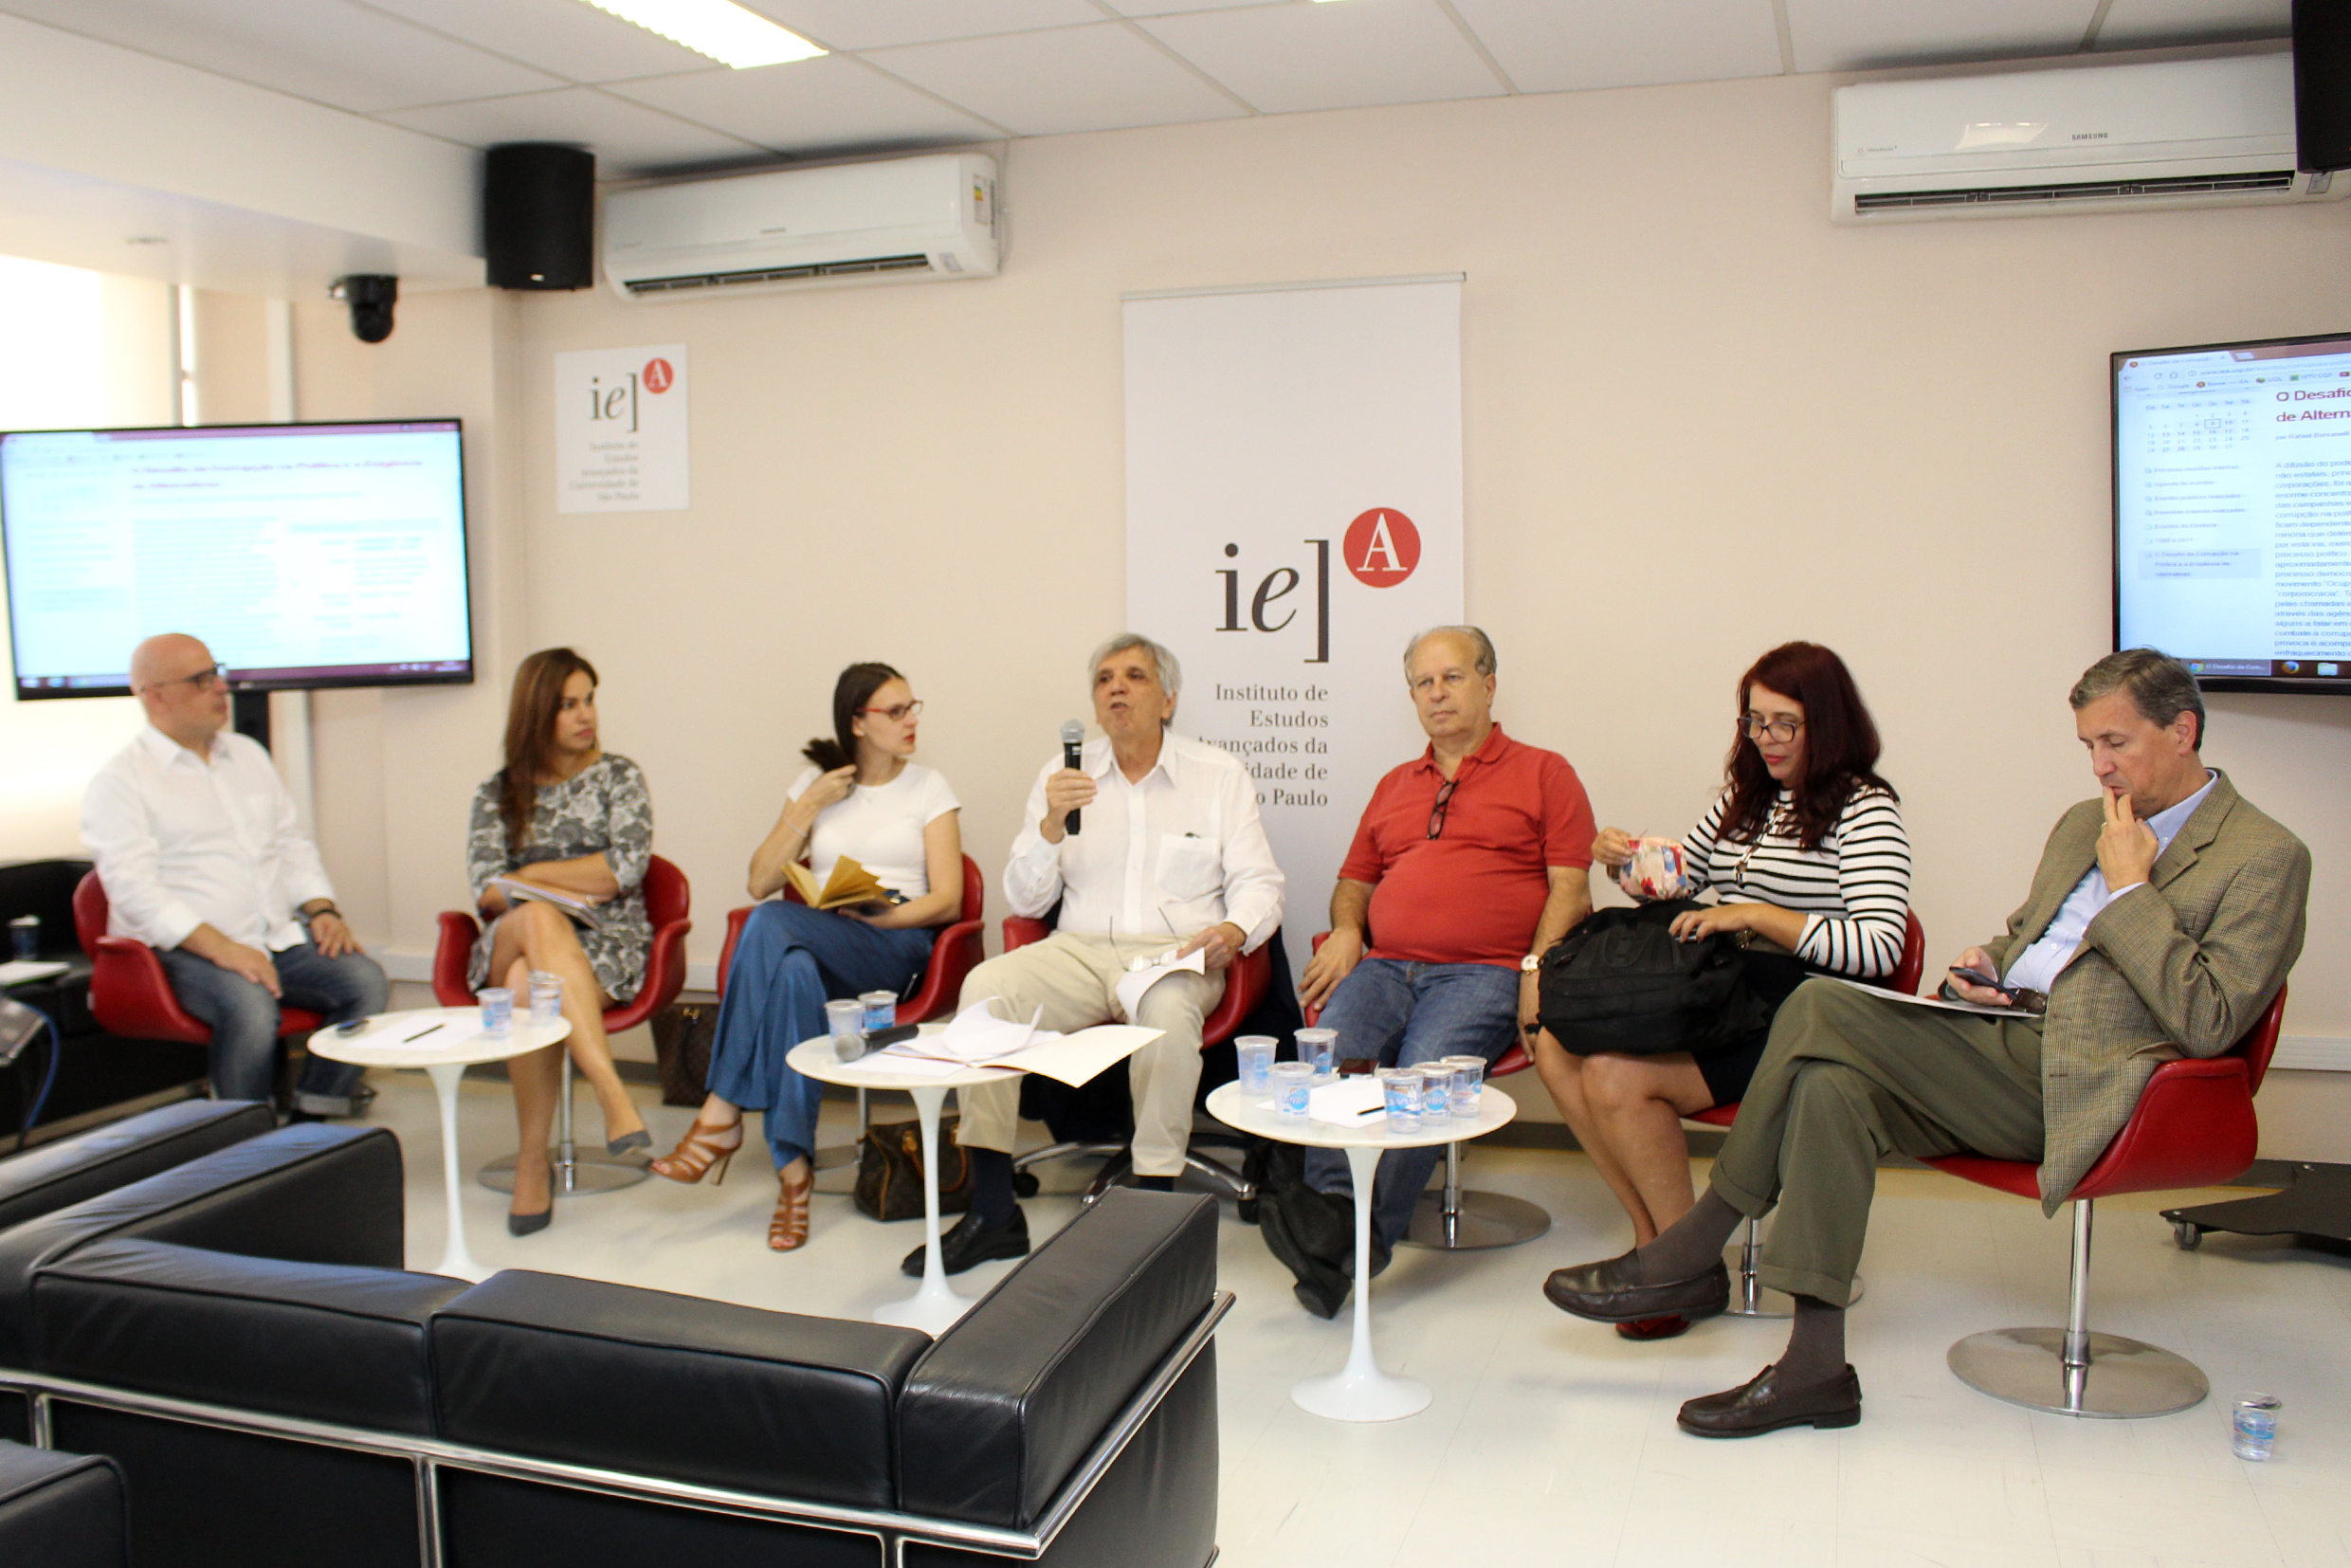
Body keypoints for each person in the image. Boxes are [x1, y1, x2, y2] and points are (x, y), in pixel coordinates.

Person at [1542, 648, 2309, 1437]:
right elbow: (2023, 941)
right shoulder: (2086, 824)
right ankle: (1815, 1370)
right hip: (2006, 1035)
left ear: (2182, 731)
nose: (2100, 767)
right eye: (2087, 747)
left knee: (1819, 1008)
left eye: (2116, 744)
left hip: (2101, 1084)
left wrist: (2132, 892)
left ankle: (1691, 1250)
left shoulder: (2264, 857)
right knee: (1827, 1088)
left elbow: (2212, 1019)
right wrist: (1985, 971)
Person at [1532, 642, 1911, 1340]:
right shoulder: (1750, 802)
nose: (1765, 739)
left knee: (1615, 1074)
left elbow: (1882, 947)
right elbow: (1676, 882)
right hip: (1724, 990)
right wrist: (1625, 857)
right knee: (1555, 1044)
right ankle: (1662, 1248)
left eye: (1784, 724)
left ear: (1827, 723)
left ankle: (1673, 1268)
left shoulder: (1865, 809)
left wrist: (1759, 915)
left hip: (1803, 1011)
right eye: (1754, 722)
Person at [918, 633, 1285, 1276]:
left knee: (1168, 1012)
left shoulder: (1216, 774)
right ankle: (994, 1209)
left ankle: (1152, 1209)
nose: (1117, 688)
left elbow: (1261, 883)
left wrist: (1232, 932)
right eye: (1105, 679)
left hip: (1174, 954)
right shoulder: (1064, 776)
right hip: (1080, 948)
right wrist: (1050, 826)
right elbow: (1026, 898)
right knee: (984, 992)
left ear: (1168, 698)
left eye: (1135, 676)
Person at [1261, 626, 1595, 1319]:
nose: (1437, 694)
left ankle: (1353, 1245)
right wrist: (1350, 928)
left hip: (1483, 972)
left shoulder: (1545, 772)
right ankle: (1332, 1215)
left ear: (1489, 683)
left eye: (1452, 678)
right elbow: (1354, 880)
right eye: (1423, 682)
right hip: (1385, 968)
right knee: (1335, 1063)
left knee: (1415, 1085)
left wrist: (1535, 972)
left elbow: (1571, 889)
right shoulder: (1394, 785)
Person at [650, 664, 963, 1251]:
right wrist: (809, 804)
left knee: (772, 924)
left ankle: (721, 1109)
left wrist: (882, 914)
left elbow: (947, 897)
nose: (911, 720)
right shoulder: (818, 784)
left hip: (895, 946)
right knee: (792, 971)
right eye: (895, 711)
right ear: (857, 723)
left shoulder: (928, 788)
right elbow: (760, 880)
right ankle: (794, 1177)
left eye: (912, 706)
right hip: (821, 940)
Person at [82, 633, 387, 1118]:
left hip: (272, 939)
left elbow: (289, 842)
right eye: (202, 680)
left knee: (364, 981)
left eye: (217, 672)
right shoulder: (119, 782)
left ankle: (312, 1120)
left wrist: (321, 908)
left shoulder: (247, 755)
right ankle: (239, 1139)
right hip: (180, 953)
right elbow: (133, 890)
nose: (222, 687)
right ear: (154, 695)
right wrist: (221, 948)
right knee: (249, 1008)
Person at [464, 647, 655, 1235]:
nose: (584, 715)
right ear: (536, 713)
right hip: (509, 937)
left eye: (589, 700)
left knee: (529, 984)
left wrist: (526, 878)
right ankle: (610, 1091)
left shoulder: (619, 777)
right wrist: (534, 888)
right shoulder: (498, 793)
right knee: (538, 921)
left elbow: (623, 870)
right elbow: (488, 892)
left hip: (603, 944)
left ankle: (530, 1164)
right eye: (568, 704)